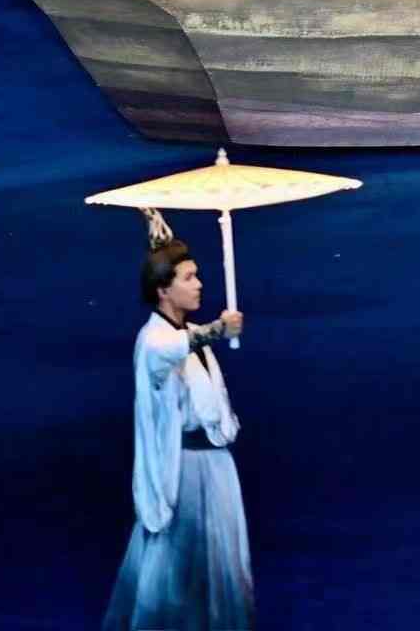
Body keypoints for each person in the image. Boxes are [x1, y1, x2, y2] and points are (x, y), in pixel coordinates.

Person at [104, 221, 251, 630]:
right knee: (174, 569)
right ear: (163, 290)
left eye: (197, 275)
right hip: (183, 471)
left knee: (221, 566)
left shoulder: (189, 333)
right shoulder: (154, 341)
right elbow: (168, 350)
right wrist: (219, 329)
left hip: (216, 467)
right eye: (188, 278)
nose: (199, 284)